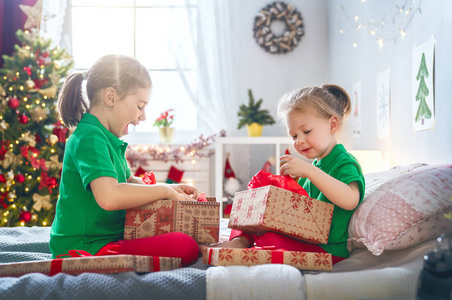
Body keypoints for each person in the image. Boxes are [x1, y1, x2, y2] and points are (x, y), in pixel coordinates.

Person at [49, 55, 199, 266]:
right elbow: (109, 197)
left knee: (186, 239)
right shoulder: (89, 137)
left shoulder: (107, 137)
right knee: (186, 246)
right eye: (139, 106)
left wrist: (172, 188)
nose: (143, 116)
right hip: (85, 248)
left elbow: (128, 182)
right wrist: (164, 192)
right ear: (110, 97)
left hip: (109, 239)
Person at [201, 84, 365, 265]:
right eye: (294, 136)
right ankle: (240, 240)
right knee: (251, 218)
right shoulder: (317, 164)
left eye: (307, 131)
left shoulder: (344, 162)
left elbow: (350, 200)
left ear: (333, 125)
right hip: (307, 238)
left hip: (328, 250)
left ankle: (245, 243)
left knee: (269, 239)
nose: (299, 141)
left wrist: (309, 171)